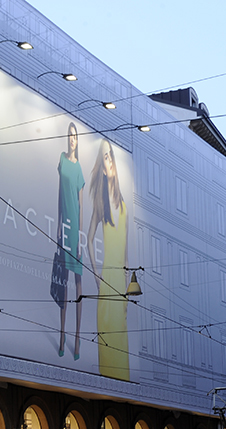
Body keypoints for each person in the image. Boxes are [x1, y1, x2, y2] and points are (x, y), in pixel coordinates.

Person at [86, 138, 130, 380]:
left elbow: (125, 254)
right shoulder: (100, 204)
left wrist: (125, 293)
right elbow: (88, 239)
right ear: (102, 167)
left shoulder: (123, 206)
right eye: (105, 157)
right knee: (108, 353)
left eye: (110, 155)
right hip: (107, 285)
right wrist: (95, 274)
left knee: (120, 353)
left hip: (119, 290)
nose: (110, 160)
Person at [56, 122, 86, 359]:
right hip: (64, 226)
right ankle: (62, 334)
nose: (71, 139)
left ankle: (77, 337)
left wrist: (80, 235)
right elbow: (60, 195)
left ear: (78, 140)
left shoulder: (78, 169)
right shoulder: (62, 161)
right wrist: (58, 224)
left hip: (75, 228)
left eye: (75, 136)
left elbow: (81, 204)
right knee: (63, 281)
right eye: (69, 136)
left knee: (78, 282)